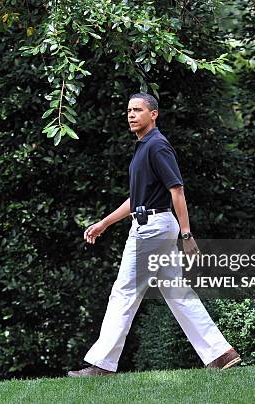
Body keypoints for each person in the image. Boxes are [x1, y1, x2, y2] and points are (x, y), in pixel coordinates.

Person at [67, 93, 240, 377]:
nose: (131, 114)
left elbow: (177, 191)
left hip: (152, 229)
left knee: (124, 292)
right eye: (129, 110)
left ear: (154, 114)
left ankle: (102, 364)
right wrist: (104, 223)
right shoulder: (144, 146)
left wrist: (186, 234)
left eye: (138, 110)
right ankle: (221, 354)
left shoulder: (157, 146)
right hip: (150, 223)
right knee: (177, 293)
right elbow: (137, 199)